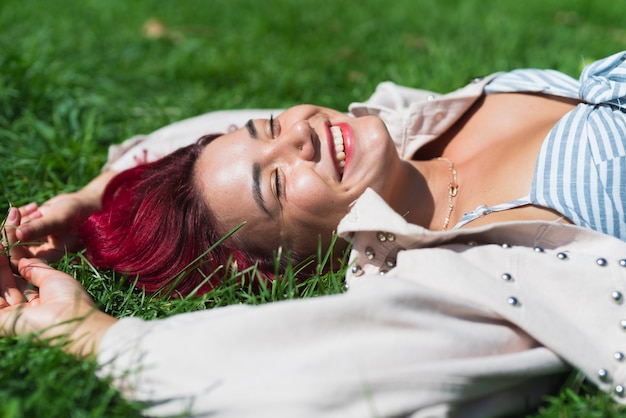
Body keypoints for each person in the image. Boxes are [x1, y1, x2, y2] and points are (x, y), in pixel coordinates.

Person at [1, 51, 626, 417]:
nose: (298, 137)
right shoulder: (471, 272)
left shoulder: (411, 120)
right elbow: (301, 373)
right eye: (275, 185)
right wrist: (91, 335)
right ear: (279, 268)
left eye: (270, 124)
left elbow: (203, 139)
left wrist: (91, 201)